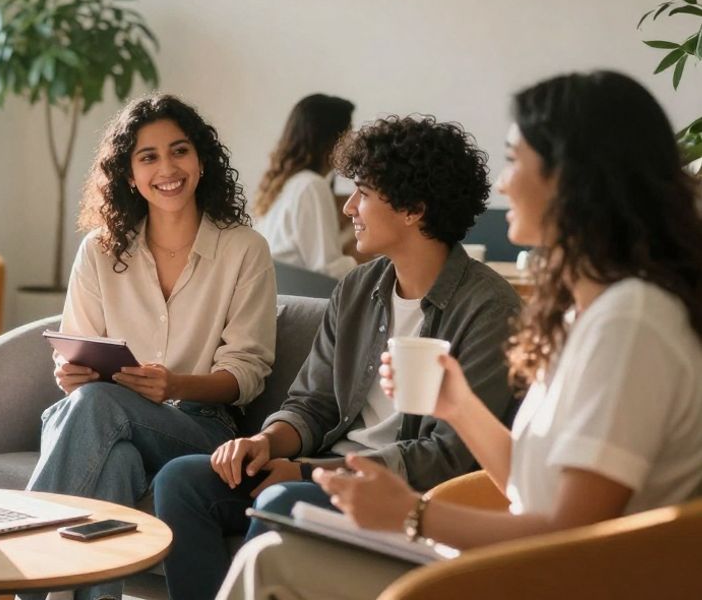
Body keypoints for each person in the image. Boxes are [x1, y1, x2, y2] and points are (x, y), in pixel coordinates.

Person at [222, 71, 702, 600]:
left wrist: (413, 514)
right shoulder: (585, 314)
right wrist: (458, 406)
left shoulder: (630, 322)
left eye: (514, 160)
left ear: (572, 178)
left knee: (270, 563)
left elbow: (573, 536)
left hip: (561, 579)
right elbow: (530, 484)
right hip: (529, 563)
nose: (502, 184)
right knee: (268, 558)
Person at [154, 115, 520, 600]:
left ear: (413, 209)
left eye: (362, 193)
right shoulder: (357, 289)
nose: (349, 208)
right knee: (181, 480)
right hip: (324, 467)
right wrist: (266, 442)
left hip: (399, 492)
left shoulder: (489, 308)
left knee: (281, 498)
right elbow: (312, 403)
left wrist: (309, 471)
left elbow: (449, 457)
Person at [26, 93, 277, 600]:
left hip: (202, 429)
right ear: (129, 175)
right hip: (101, 415)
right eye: (148, 157)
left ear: (201, 161)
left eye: (179, 151)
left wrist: (175, 384)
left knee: (96, 404)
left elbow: (247, 372)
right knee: (114, 459)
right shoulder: (99, 250)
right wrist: (69, 373)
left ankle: (16, 566)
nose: (167, 168)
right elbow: (75, 349)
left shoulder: (243, 249)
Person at [255, 94, 359, 279]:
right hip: (308, 294)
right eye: (349, 133)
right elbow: (327, 271)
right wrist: (360, 255)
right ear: (331, 139)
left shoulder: (285, 185)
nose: (353, 143)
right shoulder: (311, 185)